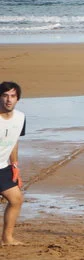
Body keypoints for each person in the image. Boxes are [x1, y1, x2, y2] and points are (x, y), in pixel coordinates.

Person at [0, 81, 26, 248]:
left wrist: (14, 165)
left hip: (3, 167)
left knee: (16, 199)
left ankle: (7, 238)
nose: (9, 100)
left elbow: (14, 141)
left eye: (13, 96)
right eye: (5, 95)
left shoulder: (20, 118)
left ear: (17, 99)